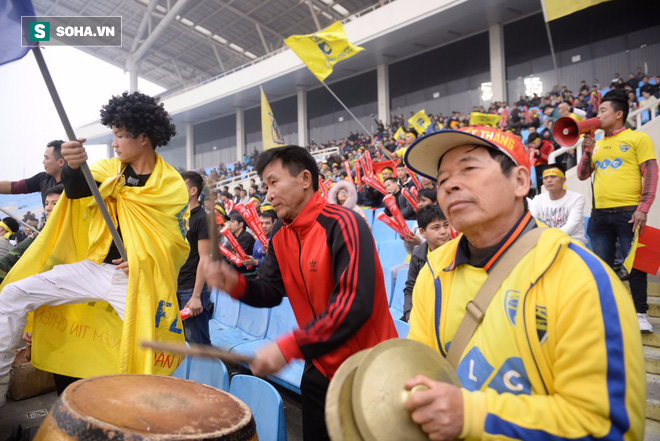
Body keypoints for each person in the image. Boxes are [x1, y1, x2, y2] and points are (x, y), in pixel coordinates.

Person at [403, 125, 644, 440]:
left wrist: (473, 415)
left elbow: (608, 427)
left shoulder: (579, 276)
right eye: (443, 180)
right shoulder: (434, 271)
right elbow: (422, 370)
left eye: (468, 169)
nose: (449, 186)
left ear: (520, 181)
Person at [0, 91, 190, 406]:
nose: (114, 142)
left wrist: (144, 260)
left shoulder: (169, 186)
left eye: (119, 135)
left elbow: (174, 244)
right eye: (113, 134)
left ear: (143, 137)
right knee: (11, 295)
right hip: (91, 269)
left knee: (150, 356)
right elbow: (75, 190)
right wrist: (74, 164)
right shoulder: (107, 169)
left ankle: (151, 418)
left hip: (134, 281)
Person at [206, 145, 396, 441]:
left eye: (274, 182)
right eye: (265, 185)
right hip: (319, 365)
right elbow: (269, 290)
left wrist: (288, 347)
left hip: (367, 369)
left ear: (305, 179)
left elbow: (353, 303)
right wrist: (234, 283)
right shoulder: (281, 235)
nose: (267, 194)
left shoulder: (344, 224)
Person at [578, 90, 658, 332]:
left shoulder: (638, 139)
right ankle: (609, 313)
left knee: (636, 265)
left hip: (629, 212)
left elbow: (651, 175)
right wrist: (587, 151)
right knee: (603, 268)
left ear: (619, 114)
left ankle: (640, 313)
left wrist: (643, 208)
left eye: (603, 110)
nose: (598, 115)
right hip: (600, 214)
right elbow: (583, 174)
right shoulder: (598, 144)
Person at [0, 186, 63, 284]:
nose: (48, 208)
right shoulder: (41, 234)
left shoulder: (81, 230)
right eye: (46, 204)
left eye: (55, 203)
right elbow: (8, 260)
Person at [178, 171, 212, 345]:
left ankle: (210, 373)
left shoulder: (202, 218)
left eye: (180, 185)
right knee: (181, 344)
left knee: (198, 346)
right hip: (176, 288)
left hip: (191, 291)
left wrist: (196, 295)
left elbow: (204, 259)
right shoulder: (178, 217)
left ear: (192, 191)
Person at [402, 205, 451, 322]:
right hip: (423, 312)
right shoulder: (418, 255)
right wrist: (409, 314)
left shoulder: (457, 252)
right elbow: (410, 288)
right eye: (436, 227)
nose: (443, 231)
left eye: (446, 225)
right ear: (422, 232)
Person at [530, 165, 586, 243]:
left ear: (563, 180)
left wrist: (550, 237)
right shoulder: (538, 199)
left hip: (572, 242)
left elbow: (573, 224)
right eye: (545, 178)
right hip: (549, 242)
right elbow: (531, 221)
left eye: (553, 176)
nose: (549, 180)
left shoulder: (577, 198)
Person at [0, 140, 65, 205]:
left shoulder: (73, 182)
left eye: (46, 158)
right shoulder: (43, 179)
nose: (43, 162)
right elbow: (15, 187)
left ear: (61, 162)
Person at [226, 210, 256, 275]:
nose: (229, 224)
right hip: (237, 269)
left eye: (232, 222)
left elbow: (240, 256)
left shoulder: (246, 236)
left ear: (241, 224)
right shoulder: (236, 237)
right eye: (229, 222)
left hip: (245, 270)